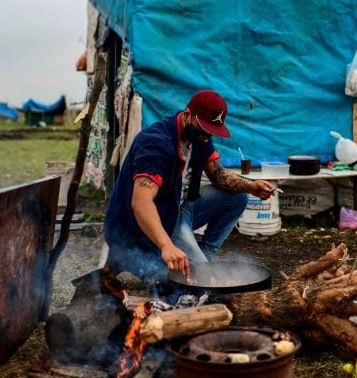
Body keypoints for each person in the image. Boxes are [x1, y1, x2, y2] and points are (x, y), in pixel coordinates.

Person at [103, 89, 276, 282]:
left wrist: (250, 186)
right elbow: (141, 202)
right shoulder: (155, 143)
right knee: (188, 283)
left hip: (178, 210)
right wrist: (166, 245)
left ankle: (201, 259)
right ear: (187, 115)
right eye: (204, 131)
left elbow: (218, 174)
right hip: (142, 223)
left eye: (211, 133)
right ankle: (191, 265)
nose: (206, 138)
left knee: (238, 197)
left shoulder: (200, 137)